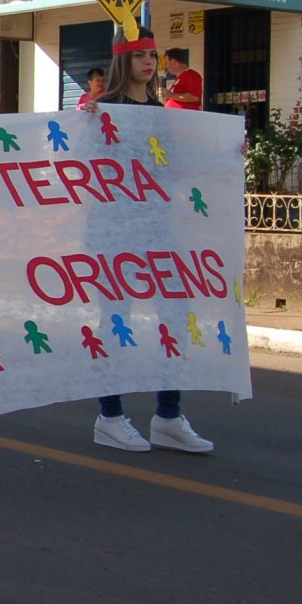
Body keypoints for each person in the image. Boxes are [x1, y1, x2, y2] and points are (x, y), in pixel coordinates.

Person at [79, 36, 214, 454]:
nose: (149, 62)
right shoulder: (101, 110)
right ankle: (110, 417)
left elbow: (176, 166)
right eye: (139, 55)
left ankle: (168, 417)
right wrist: (85, 122)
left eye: (152, 55)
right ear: (123, 61)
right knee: (116, 321)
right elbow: (79, 161)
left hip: (157, 228)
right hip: (113, 230)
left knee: (174, 316)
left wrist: (228, 150)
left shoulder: (160, 113)